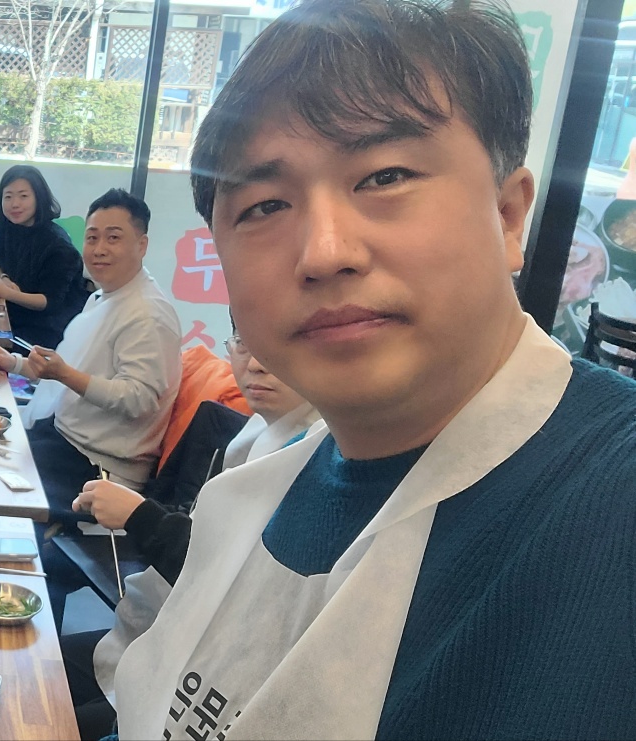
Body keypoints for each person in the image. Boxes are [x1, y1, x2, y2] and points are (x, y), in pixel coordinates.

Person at [109, 2, 636, 739]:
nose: (324, 252)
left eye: (384, 175)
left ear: (508, 214)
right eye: (264, 205)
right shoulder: (247, 498)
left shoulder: (609, 494)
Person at [56, 333, 318, 740]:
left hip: (204, 677)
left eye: (279, 342)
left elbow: (238, 590)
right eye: (243, 343)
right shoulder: (258, 433)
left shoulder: (314, 461)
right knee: (34, 665)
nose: (256, 364)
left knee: (44, 712)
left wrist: (141, 516)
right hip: (163, 633)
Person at [0, 189, 181, 518]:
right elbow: (68, 369)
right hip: (62, 439)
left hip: (97, 468)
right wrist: (14, 363)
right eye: (92, 237)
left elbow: (140, 398)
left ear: (141, 245)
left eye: (114, 238)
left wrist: (64, 374)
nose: (99, 249)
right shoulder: (103, 296)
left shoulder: (148, 314)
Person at [0, 165, 89, 347]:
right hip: (11, 316)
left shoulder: (58, 244)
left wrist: (8, 293)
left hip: (46, 330)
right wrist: (3, 278)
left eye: (23, 196)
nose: (15, 204)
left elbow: (50, 302)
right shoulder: (4, 227)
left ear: (39, 197)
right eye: (8, 196)